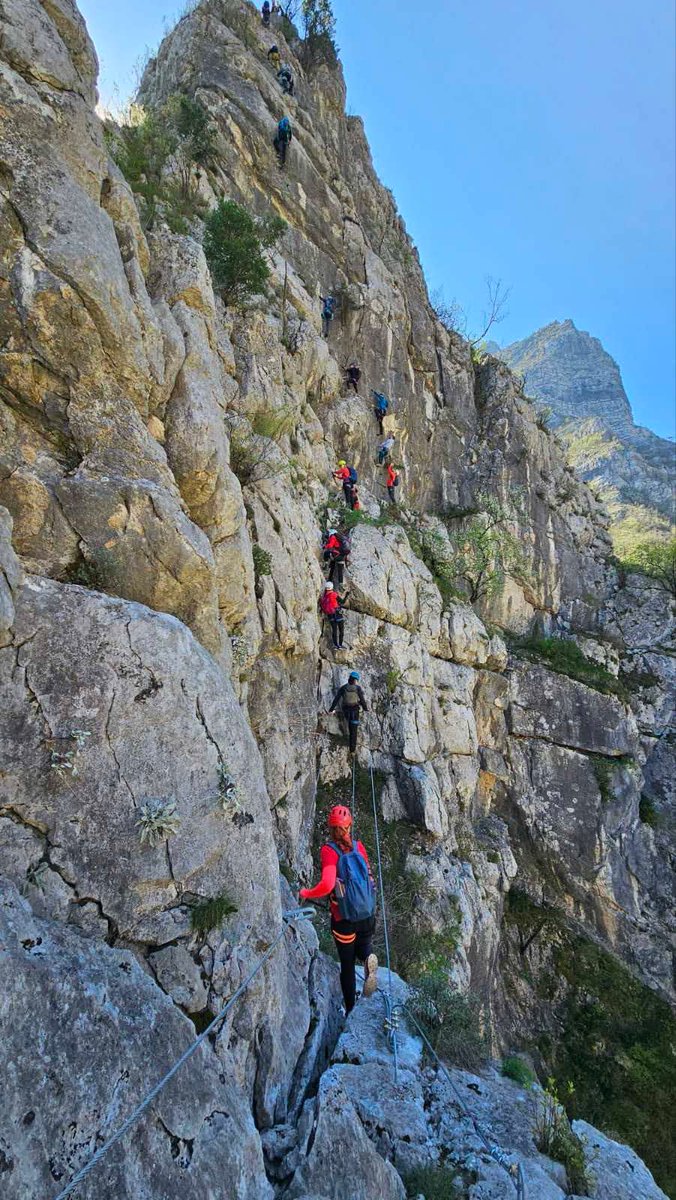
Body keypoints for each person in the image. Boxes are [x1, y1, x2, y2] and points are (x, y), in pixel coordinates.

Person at [299, 805, 378, 1014]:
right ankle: (368, 956)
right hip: (367, 913)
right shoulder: (359, 847)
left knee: (347, 965)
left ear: (330, 828)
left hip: (343, 918)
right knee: (364, 945)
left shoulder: (329, 851)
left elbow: (326, 885)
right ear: (349, 826)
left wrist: (306, 893)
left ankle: (351, 1009)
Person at [329, 670, 368, 753]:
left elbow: (336, 699)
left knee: (350, 726)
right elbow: (362, 700)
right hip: (355, 712)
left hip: (346, 711)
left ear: (349, 678)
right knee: (353, 731)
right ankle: (352, 750)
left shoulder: (343, 688)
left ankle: (349, 743)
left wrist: (331, 709)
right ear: (355, 680)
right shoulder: (358, 688)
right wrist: (365, 709)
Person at [319, 582, 348, 648]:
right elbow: (342, 602)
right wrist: (347, 595)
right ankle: (340, 645)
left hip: (330, 615)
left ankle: (335, 645)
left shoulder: (324, 597)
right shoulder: (334, 594)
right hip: (338, 614)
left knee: (334, 630)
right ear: (332, 587)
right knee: (341, 630)